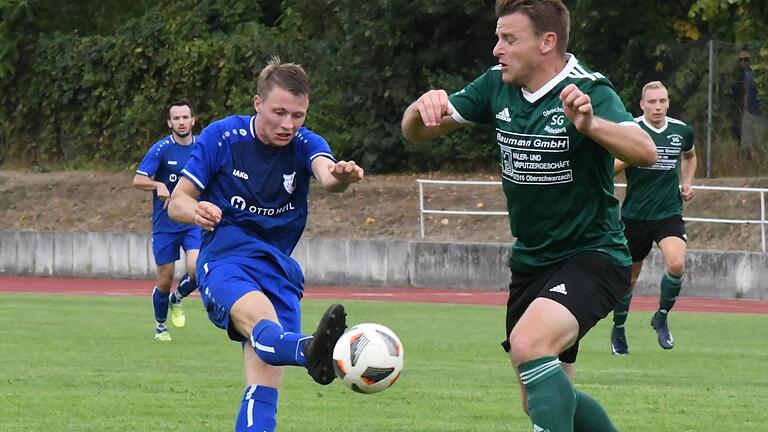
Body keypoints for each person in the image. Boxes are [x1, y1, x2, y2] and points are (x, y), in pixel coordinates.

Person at [401, 1, 656, 431]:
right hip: (531, 262)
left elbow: (645, 151)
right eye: (498, 37)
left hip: (592, 255)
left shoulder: (588, 88)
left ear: (547, 42)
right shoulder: (494, 86)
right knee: (542, 398)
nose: (497, 48)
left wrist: (591, 125)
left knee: (529, 343)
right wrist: (418, 109)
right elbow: (417, 134)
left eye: (508, 38)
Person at [168, 57, 363, 432]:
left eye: (298, 115)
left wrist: (341, 177)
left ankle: (307, 350)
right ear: (258, 104)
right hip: (226, 258)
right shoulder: (223, 137)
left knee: (263, 390)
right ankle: (311, 350)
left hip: (279, 270)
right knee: (263, 324)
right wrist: (196, 211)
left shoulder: (307, 143)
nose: (288, 124)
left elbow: (326, 173)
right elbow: (178, 201)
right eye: (279, 112)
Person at [610, 81, 697, 355]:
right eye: (652, 102)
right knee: (629, 279)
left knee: (676, 263)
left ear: (668, 102)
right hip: (635, 216)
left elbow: (690, 156)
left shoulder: (681, 130)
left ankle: (661, 316)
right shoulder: (631, 131)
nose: (658, 107)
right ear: (642, 104)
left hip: (668, 213)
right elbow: (609, 169)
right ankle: (619, 328)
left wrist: (687, 182)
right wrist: (626, 158)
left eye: (662, 101)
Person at [133, 99, 202, 341]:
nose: (181, 122)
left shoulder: (203, 147)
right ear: (169, 122)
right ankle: (161, 326)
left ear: (193, 120)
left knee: (197, 269)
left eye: (185, 117)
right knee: (165, 280)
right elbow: (138, 179)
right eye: (176, 118)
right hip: (165, 224)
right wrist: (158, 184)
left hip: (193, 221)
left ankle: (178, 298)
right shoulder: (162, 149)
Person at [736, 49, 766, 159]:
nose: (743, 62)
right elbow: (746, 93)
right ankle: (756, 166)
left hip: (760, 112)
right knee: (749, 142)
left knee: (761, 141)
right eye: (741, 60)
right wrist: (745, 109)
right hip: (749, 111)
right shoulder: (745, 74)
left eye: (746, 59)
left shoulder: (757, 73)